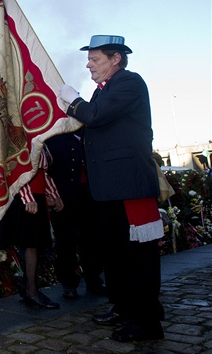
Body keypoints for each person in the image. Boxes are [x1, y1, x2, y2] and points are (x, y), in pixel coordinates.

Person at [59, 35, 165, 342]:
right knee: (116, 254)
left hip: (129, 185)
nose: (89, 64)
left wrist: (73, 100)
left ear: (115, 58)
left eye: (95, 59)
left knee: (137, 256)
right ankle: (124, 307)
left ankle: (146, 321)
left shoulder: (128, 83)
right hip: (109, 187)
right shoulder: (104, 90)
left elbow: (95, 116)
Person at [0, 147, 63, 310]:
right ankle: (32, 291)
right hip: (27, 198)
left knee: (35, 245)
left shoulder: (41, 141)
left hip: (37, 196)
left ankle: (28, 287)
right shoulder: (21, 142)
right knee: (31, 245)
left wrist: (54, 194)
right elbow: (16, 173)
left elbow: (44, 173)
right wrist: (28, 198)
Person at [45, 130, 106, 299]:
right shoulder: (53, 135)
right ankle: (69, 283)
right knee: (65, 242)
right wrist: (52, 194)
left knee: (92, 240)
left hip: (90, 195)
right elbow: (47, 168)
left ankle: (94, 280)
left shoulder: (88, 132)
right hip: (64, 197)